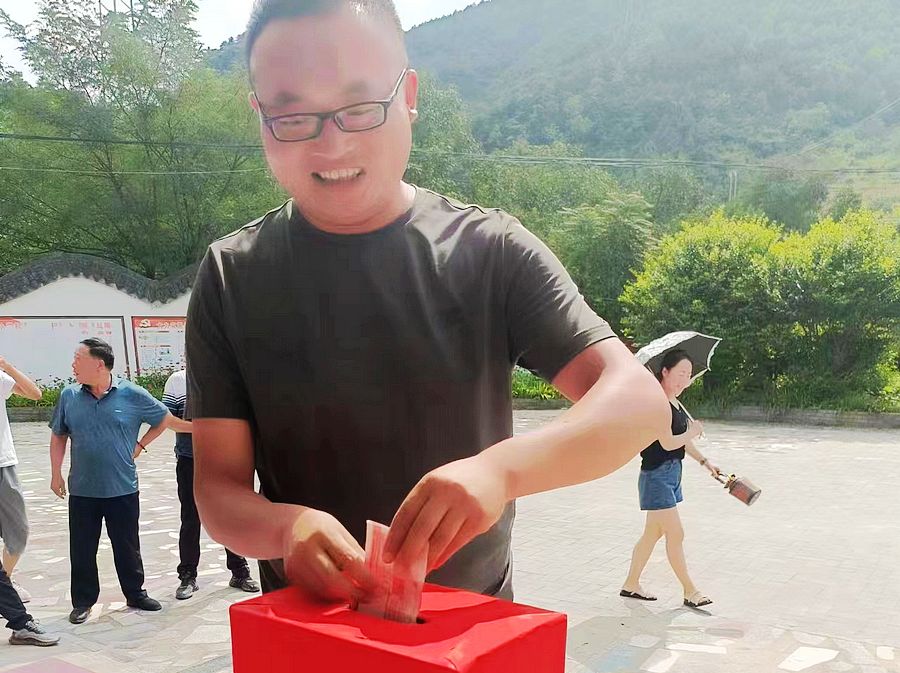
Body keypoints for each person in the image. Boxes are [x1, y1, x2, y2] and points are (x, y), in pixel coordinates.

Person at [186, 0, 668, 606]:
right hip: (309, 629)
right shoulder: (232, 276)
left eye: (360, 108)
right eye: (293, 116)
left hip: (471, 628)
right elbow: (218, 489)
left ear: (408, 95)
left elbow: (637, 402)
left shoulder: (490, 250)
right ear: (260, 116)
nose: (332, 143)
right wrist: (285, 529)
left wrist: (501, 471)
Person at [49, 338, 191, 624]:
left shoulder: (131, 394)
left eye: (79, 359)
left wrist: (140, 445)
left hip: (122, 487)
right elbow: (58, 435)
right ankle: (83, 601)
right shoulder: (69, 396)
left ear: (99, 364)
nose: (73, 365)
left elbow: (163, 419)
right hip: (83, 489)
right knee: (82, 548)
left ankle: (135, 593)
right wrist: (55, 473)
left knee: (127, 545)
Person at [620, 349, 721, 609]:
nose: (684, 380)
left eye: (688, 375)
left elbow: (682, 444)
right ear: (664, 372)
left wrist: (706, 462)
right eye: (680, 373)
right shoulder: (657, 405)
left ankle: (631, 584)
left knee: (652, 534)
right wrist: (692, 431)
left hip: (671, 473)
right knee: (676, 533)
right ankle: (690, 591)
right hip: (656, 476)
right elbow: (667, 443)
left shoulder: (675, 403)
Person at [161, 366, 260, 600]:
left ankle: (240, 571)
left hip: (225, 458)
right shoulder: (178, 380)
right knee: (190, 517)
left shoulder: (228, 377)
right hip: (190, 459)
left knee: (230, 516)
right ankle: (187, 575)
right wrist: (201, 429)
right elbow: (166, 420)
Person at [0, 354, 41, 602]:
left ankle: (5, 582)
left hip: (3, 464)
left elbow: (34, 394)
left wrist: (7, 367)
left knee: (18, 529)